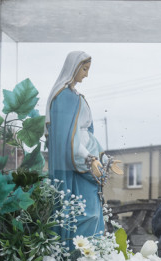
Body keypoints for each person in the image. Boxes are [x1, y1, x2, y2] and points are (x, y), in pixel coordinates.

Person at [46, 51, 113, 236]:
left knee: (93, 212)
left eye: (87, 69)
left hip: (86, 159)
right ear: (74, 67)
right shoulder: (64, 98)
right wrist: (89, 158)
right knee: (87, 214)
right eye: (84, 69)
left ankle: (92, 256)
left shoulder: (75, 96)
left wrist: (102, 157)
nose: (86, 74)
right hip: (75, 168)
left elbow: (86, 134)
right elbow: (67, 138)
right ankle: (79, 257)